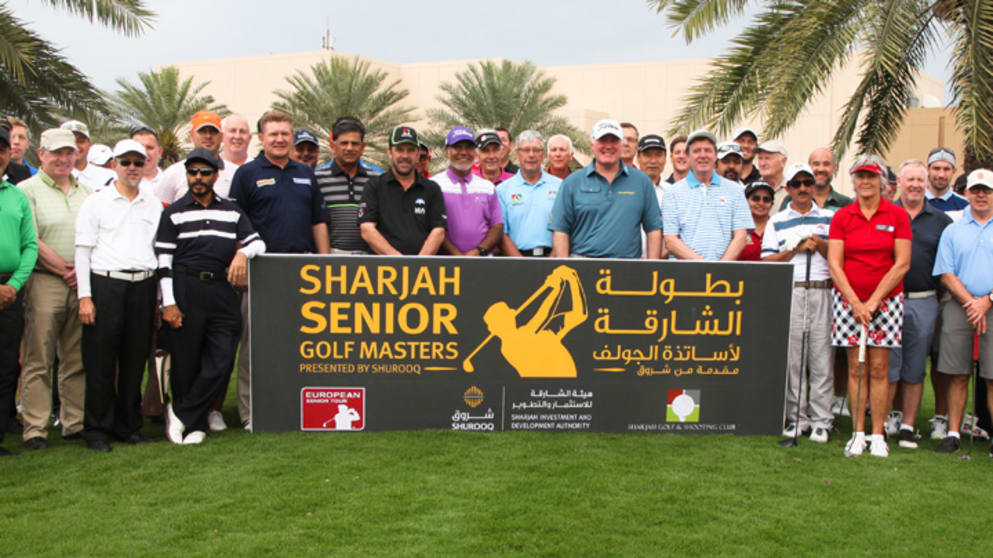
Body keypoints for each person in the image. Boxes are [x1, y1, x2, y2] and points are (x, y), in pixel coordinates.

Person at [156, 147, 265, 445]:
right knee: (186, 360)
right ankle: (194, 423)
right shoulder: (173, 212)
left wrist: (242, 252)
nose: (199, 177)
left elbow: (258, 243)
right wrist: (169, 303)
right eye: (193, 172)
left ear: (216, 175)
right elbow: (163, 261)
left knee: (221, 359)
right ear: (187, 175)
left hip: (221, 289)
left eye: (205, 172)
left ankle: (180, 411)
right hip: (185, 287)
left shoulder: (231, 209)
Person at [229, 109, 329, 430]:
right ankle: (251, 413)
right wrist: (240, 259)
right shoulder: (247, 174)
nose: (280, 139)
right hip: (262, 270)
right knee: (255, 348)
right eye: (273, 134)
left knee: (298, 344)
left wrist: (325, 263)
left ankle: (292, 406)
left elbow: (318, 221)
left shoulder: (305, 173)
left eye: (285, 133)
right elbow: (234, 224)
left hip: (302, 271)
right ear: (262, 138)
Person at [74, 139, 161, 451]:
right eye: (126, 162)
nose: (133, 168)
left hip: (143, 284)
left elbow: (158, 251)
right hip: (106, 284)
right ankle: (97, 429)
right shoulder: (96, 202)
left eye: (138, 163)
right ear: (114, 165)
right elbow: (82, 252)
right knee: (99, 361)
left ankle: (128, 425)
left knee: (134, 359)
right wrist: (85, 297)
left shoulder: (152, 202)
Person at [828, 154, 911, 458]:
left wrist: (873, 301)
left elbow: (902, 263)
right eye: (860, 176)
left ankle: (878, 434)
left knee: (879, 368)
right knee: (855, 368)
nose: (865, 181)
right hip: (848, 302)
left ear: (882, 181)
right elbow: (835, 263)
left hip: (886, 303)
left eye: (872, 176)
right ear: (853, 180)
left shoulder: (897, 215)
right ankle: (858, 433)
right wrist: (854, 301)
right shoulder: (843, 217)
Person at [17, 128, 92, 449]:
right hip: (45, 280)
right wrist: (65, 270)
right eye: (56, 153)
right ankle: (35, 428)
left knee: (76, 357)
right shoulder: (26, 190)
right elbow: (32, 239)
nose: (64, 159)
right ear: (41, 155)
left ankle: (74, 423)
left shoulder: (87, 191)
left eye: (69, 153)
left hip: (81, 283)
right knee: (39, 356)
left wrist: (81, 272)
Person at [762, 163, 834, 443]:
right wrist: (795, 248)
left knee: (821, 357)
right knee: (793, 359)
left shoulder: (830, 217)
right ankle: (797, 417)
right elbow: (767, 260)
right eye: (797, 183)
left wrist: (818, 242)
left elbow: (838, 257)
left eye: (808, 182)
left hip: (821, 290)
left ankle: (821, 420)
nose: (803, 188)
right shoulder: (777, 221)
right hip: (792, 289)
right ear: (789, 188)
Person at [884, 159, 952, 449]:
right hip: (888, 300)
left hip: (924, 300)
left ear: (927, 184)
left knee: (914, 367)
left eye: (919, 180)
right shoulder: (885, 214)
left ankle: (909, 426)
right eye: (909, 179)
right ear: (899, 182)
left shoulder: (941, 221)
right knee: (887, 365)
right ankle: (885, 420)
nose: (914, 185)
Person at [932, 168, 993, 454]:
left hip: (991, 306)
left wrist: (987, 301)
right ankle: (953, 433)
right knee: (957, 373)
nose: (981, 195)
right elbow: (946, 272)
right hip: (960, 307)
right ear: (966, 193)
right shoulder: (952, 230)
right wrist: (972, 302)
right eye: (976, 190)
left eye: (987, 190)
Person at [550, 119, 661, 259]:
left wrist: (652, 268)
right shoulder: (572, 182)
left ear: (622, 145)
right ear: (591, 144)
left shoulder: (642, 181)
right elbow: (560, 229)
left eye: (614, 141)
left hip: (629, 269)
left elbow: (654, 229)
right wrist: (564, 267)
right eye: (602, 140)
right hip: (582, 267)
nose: (608, 146)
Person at [0, 127, 38, 456]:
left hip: (10, 288)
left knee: (7, 363)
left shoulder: (16, 195)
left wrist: (12, 285)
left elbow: (29, 246)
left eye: (1, 149)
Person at [662, 130, 752, 261]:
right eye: (697, 151)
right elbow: (670, 240)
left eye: (708, 150)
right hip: (684, 274)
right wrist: (704, 267)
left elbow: (741, 236)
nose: (703, 155)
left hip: (723, 276)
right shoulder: (672, 193)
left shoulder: (736, 190)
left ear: (716, 155)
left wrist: (719, 268)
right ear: (688, 156)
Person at [359, 126, 446, 255]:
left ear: (417, 155)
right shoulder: (374, 186)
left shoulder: (432, 189)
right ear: (390, 152)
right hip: (382, 269)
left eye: (410, 150)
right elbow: (367, 230)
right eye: (399, 150)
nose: (405, 156)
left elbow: (438, 231)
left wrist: (418, 263)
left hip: (423, 270)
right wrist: (400, 262)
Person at [434, 126, 503, 256]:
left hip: (482, 261)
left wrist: (479, 251)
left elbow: (497, 225)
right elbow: (434, 228)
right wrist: (457, 256)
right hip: (445, 263)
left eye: (469, 147)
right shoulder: (435, 185)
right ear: (447, 151)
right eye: (457, 147)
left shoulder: (487, 187)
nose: (464, 152)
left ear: (475, 152)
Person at [315, 117, 380, 255]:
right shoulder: (318, 178)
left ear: (362, 148)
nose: (349, 148)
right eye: (344, 143)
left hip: (369, 259)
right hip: (331, 257)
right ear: (333, 146)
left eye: (355, 143)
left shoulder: (376, 178)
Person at [496, 130, 561, 257]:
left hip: (552, 258)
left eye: (536, 150)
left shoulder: (560, 186)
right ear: (518, 154)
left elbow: (565, 229)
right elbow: (501, 234)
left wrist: (552, 260)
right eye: (526, 150)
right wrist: (521, 264)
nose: (531, 155)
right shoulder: (503, 190)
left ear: (543, 154)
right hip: (517, 261)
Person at [156, 111, 238, 202]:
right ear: (191, 135)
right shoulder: (173, 173)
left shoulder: (235, 173)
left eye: (213, 131)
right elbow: (161, 208)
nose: (208, 136)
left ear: (222, 136)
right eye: (202, 131)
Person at [780, 148, 854, 212]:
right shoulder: (791, 200)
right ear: (809, 167)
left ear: (834, 168)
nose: (821, 169)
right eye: (816, 164)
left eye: (826, 164)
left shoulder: (846, 203)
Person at [61, 120, 116, 191]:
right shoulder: (52, 177)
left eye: (81, 141)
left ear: (89, 144)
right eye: (70, 141)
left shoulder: (109, 177)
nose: (75, 146)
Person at [926, 147, 968, 222]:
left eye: (946, 169)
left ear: (954, 171)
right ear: (928, 169)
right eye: (936, 168)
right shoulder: (914, 202)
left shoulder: (965, 205)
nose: (941, 175)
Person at [738, 181, 773, 261]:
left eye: (766, 199)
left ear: (772, 204)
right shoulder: (737, 227)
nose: (761, 203)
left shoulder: (777, 226)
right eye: (755, 198)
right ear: (745, 201)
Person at [130, 126, 165, 197]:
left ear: (160, 152)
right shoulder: (118, 185)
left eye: (149, 148)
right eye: (139, 148)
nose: (144, 153)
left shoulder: (171, 182)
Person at [756, 140, 788, 210]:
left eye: (767, 158)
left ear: (783, 161)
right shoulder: (748, 190)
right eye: (760, 158)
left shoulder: (793, 190)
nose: (762, 163)